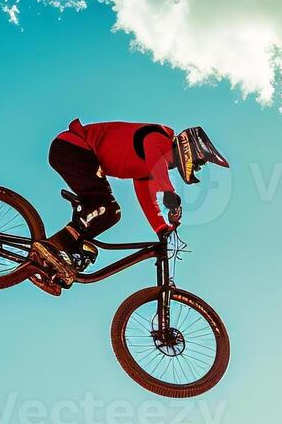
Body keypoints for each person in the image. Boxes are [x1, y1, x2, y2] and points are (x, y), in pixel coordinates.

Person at [28, 121, 229, 296]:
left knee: (106, 216)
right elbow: (155, 161)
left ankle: (51, 266)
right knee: (106, 208)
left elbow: (146, 197)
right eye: (200, 161)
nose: (198, 166)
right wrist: (168, 191)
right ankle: (53, 245)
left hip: (76, 153)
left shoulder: (149, 166)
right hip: (74, 147)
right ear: (190, 148)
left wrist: (161, 228)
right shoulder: (157, 137)